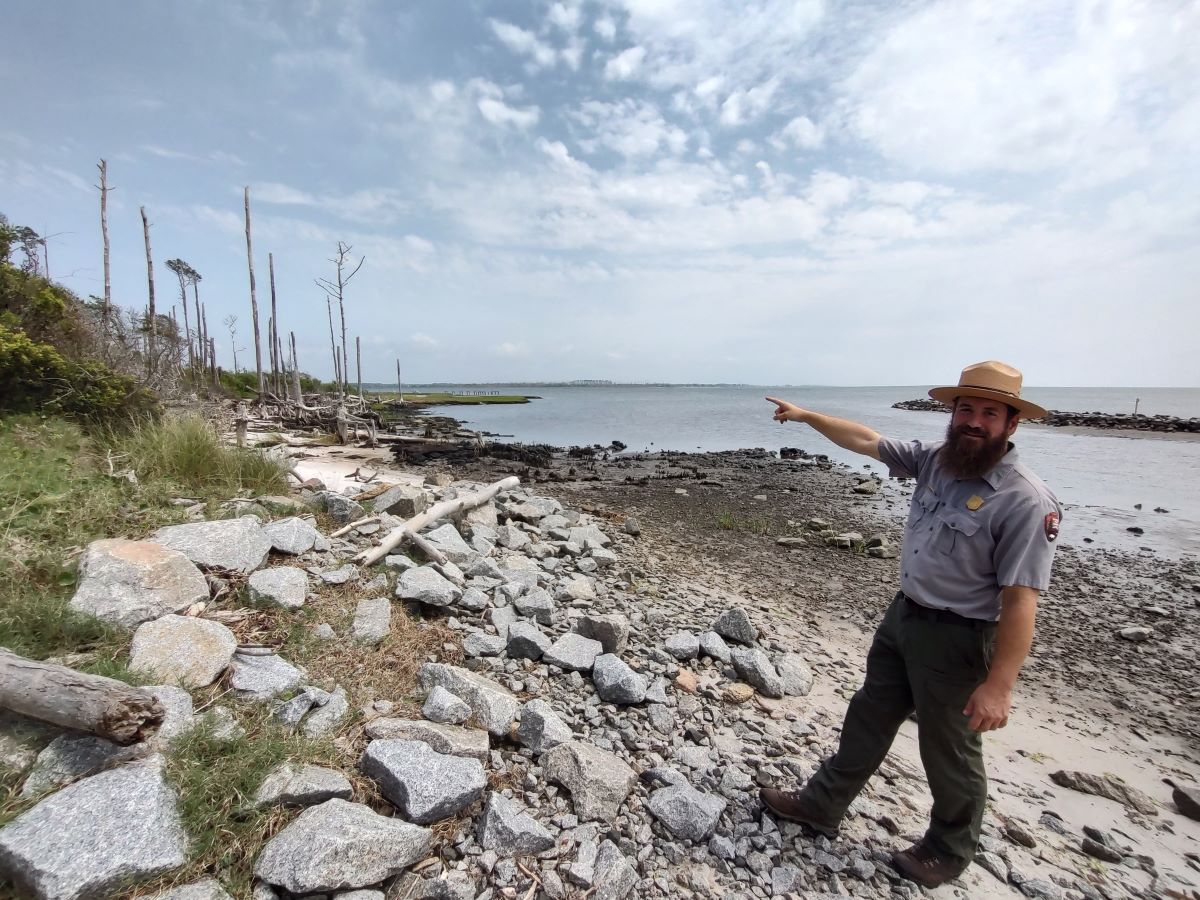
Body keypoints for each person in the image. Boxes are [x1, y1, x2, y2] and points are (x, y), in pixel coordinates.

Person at [759, 360, 1062, 888]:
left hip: (962, 640)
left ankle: (948, 849)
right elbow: (866, 440)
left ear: (1012, 424)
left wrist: (1000, 686)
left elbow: (1020, 602)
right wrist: (807, 416)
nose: (973, 420)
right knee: (869, 715)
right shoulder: (936, 462)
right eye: (965, 408)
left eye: (989, 412)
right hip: (904, 617)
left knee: (948, 751)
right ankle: (820, 804)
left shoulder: (1024, 500)